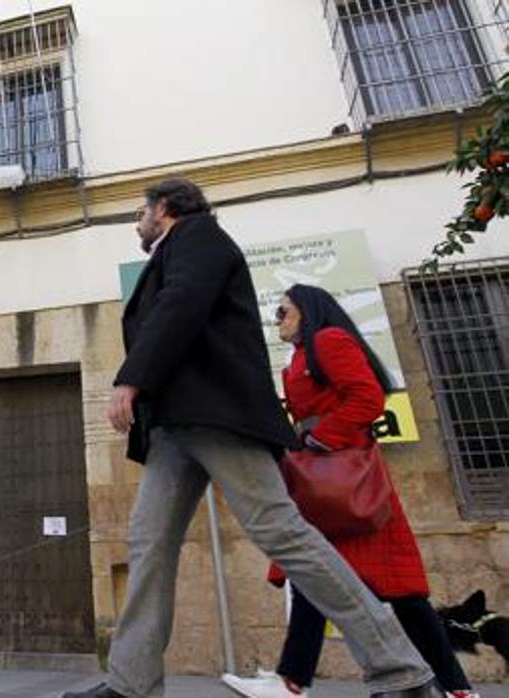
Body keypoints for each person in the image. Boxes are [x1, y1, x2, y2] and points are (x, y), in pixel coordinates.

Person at [62, 178, 442, 698]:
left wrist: (133, 376)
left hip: (218, 416)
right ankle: (131, 685)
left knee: (283, 533)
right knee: (149, 546)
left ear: (165, 208)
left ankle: (402, 672)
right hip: (175, 426)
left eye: (140, 211)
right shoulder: (178, 248)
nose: (136, 222)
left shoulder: (199, 236)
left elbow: (183, 304)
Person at [221, 285, 478, 698]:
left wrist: (320, 438)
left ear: (307, 309)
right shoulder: (301, 357)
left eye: (283, 310)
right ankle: (292, 681)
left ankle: (456, 689)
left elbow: (368, 397)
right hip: (328, 483)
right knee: (316, 576)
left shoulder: (329, 341)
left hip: (349, 482)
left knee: (401, 594)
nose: (277, 319)